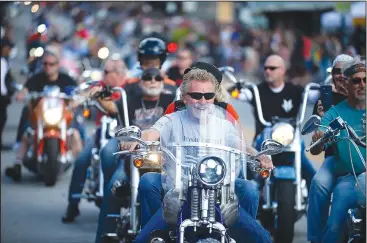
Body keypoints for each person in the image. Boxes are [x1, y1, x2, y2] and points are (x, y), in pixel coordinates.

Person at [120, 62, 274, 243]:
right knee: (142, 240)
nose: (202, 101)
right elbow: (151, 133)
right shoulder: (171, 120)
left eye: (208, 96)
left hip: (219, 195)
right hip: (179, 194)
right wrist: (137, 140)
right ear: (184, 97)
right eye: (196, 96)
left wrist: (259, 155)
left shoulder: (224, 125)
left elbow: (241, 146)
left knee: (263, 238)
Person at [94, 67, 176, 243]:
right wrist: (99, 95)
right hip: (133, 157)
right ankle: (104, 236)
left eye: (157, 78)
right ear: (140, 81)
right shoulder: (129, 100)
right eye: (148, 77)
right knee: (112, 188)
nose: (153, 81)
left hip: (164, 158)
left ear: (163, 82)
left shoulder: (172, 101)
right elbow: (112, 108)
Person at [307, 56, 366, 243]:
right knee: (320, 185)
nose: (362, 85)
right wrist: (319, 138)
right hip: (344, 167)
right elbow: (317, 144)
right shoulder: (334, 110)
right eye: (356, 81)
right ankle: (316, 239)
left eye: (365, 80)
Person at [62, 57, 128, 223]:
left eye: (106, 72)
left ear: (119, 73)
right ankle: (73, 204)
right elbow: (88, 91)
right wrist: (78, 100)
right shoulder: (101, 86)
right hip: (102, 130)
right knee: (82, 158)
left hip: (123, 132)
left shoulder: (127, 88)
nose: (103, 75)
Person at [5, 49, 83, 182]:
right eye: (45, 64)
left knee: (75, 132)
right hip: (41, 116)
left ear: (58, 65)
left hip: (61, 116)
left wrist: (78, 98)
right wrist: (22, 93)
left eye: (51, 64)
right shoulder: (37, 78)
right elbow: (26, 89)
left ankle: (82, 168)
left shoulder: (66, 79)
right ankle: (17, 164)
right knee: (27, 133)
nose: (48, 66)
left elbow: (77, 92)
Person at [250, 54, 316, 189]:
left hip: (289, 139)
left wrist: (329, 89)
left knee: (313, 177)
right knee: (247, 178)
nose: (268, 71)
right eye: (266, 68)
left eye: (272, 68)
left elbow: (314, 96)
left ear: (283, 70)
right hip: (264, 140)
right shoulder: (257, 90)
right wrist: (232, 88)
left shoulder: (296, 91)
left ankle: (311, 206)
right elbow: (237, 94)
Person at [0, 37, 15, 149]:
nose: (9, 50)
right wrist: (5, 93)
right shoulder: (2, 61)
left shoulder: (5, 60)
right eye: (8, 48)